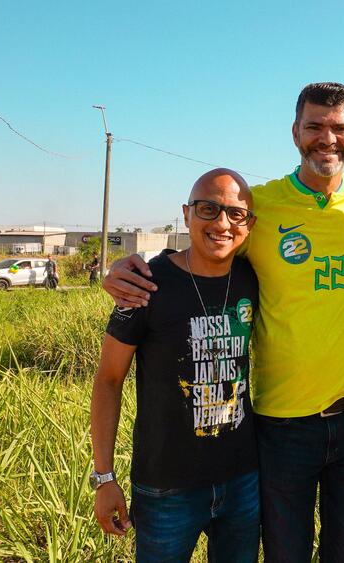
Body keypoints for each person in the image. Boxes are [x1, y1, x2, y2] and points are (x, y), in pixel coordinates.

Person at [102, 83, 344, 563]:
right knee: (284, 552)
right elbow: (206, 247)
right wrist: (130, 265)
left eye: (339, 128)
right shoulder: (262, 206)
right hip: (282, 426)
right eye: (314, 126)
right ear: (295, 131)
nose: (327, 138)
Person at [90, 168, 261, 562]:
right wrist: (104, 477)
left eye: (235, 214)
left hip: (242, 480)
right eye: (208, 209)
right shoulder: (146, 284)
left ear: (249, 225)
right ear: (186, 214)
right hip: (166, 488)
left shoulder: (253, 278)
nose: (221, 223)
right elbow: (108, 380)